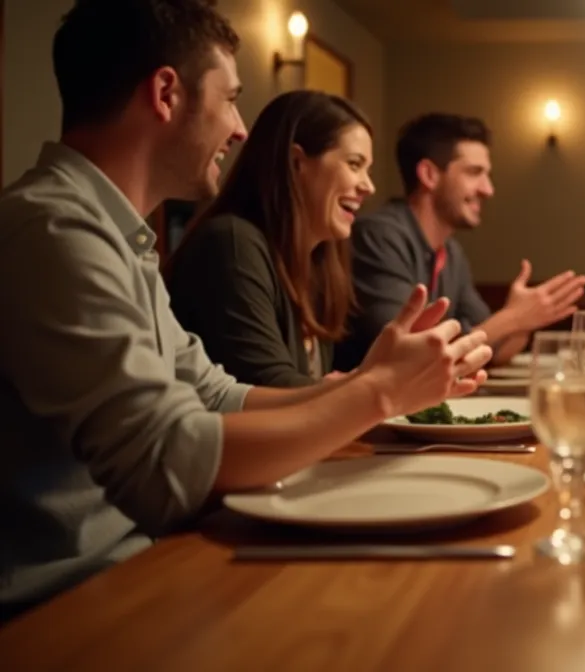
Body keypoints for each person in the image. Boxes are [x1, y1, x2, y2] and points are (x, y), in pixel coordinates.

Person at [0, 0, 491, 616]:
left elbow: (217, 393)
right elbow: (166, 468)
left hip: (145, 565)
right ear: (166, 93)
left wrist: (369, 381)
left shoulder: (117, 236)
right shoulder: (54, 232)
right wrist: (379, 395)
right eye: (230, 98)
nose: (239, 129)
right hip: (64, 607)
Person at [335, 113, 585, 371]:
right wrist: (512, 318)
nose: (488, 189)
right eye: (474, 172)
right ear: (429, 175)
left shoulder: (451, 252)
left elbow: (491, 350)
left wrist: (525, 320)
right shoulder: (377, 236)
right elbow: (412, 354)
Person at [167, 90, 375, 387]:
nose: (369, 186)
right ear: (296, 162)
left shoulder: (318, 263)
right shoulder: (232, 243)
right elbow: (266, 386)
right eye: (354, 164)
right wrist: (379, 383)